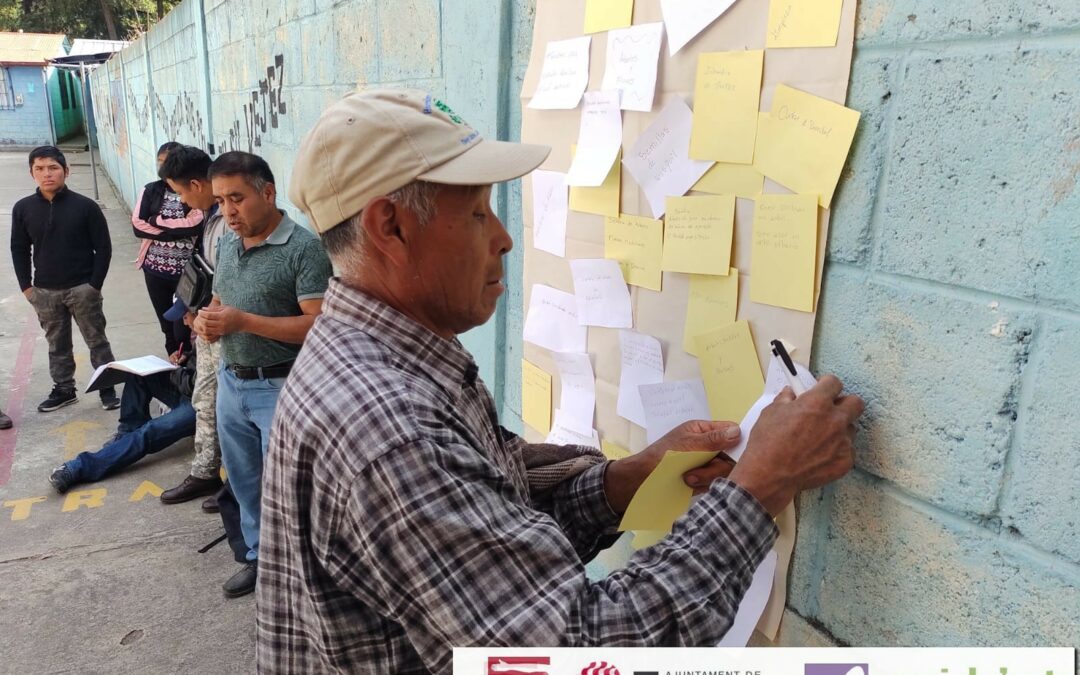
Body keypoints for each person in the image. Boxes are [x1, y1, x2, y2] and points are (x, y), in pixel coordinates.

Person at [256, 89, 866, 674]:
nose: (504, 237)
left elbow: (487, 534)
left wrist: (623, 483)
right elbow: (580, 650)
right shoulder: (388, 426)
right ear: (390, 228)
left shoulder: (382, 361)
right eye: (475, 213)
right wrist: (762, 485)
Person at [194, 151, 332, 598]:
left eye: (237, 198)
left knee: (288, 490)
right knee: (244, 481)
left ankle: (302, 573)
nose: (228, 212)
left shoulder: (304, 249)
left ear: (267, 192)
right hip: (233, 383)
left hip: (282, 386)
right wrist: (206, 319)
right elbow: (220, 300)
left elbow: (319, 325)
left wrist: (243, 322)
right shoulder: (229, 242)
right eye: (219, 201)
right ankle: (259, 559)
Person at [10, 145, 120, 412]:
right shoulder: (23, 208)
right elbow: (19, 248)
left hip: (83, 289)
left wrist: (94, 285)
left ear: (66, 171)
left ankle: (107, 388)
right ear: (32, 173)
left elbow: (103, 248)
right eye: (40, 169)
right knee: (57, 343)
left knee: (97, 340)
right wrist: (27, 287)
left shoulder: (85, 207)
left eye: (53, 168)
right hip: (45, 291)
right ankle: (64, 389)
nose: (47, 174)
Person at [156, 145, 229, 509]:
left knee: (227, 410)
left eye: (182, 192)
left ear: (198, 184)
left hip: (223, 330)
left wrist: (202, 315)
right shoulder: (212, 217)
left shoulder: (227, 220)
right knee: (206, 403)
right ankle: (205, 471)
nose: (183, 202)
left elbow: (230, 283)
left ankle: (231, 484)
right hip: (206, 326)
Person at [48, 349, 197, 493]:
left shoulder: (212, 330)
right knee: (139, 375)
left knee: (149, 432)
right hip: (186, 389)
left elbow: (200, 382)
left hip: (203, 405)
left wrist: (177, 372)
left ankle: (80, 467)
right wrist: (186, 356)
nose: (185, 321)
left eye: (186, 320)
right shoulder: (200, 330)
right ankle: (126, 433)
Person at [131, 141, 204, 358]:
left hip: (187, 274)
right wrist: (172, 230)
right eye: (160, 162)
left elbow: (195, 223)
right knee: (166, 322)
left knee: (185, 324)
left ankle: (187, 361)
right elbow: (137, 225)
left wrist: (156, 221)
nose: (164, 168)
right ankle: (173, 360)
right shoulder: (151, 190)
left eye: (169, 162)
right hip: (154, 270)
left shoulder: (193, 190)